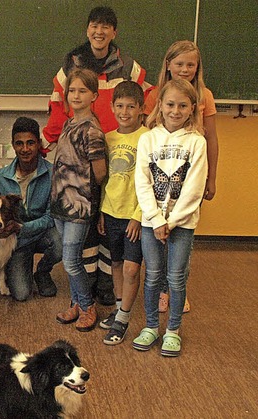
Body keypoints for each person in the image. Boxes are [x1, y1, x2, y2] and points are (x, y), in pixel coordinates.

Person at [43, 6, 152, 307]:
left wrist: (144, 131)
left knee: (110, 228)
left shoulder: (129, 66)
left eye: (106, 26)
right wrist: (49, 140)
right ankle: (88, 284)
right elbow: (56, 105)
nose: (99, 31)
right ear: (87, 29)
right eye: (94, 25)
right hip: (83, 162)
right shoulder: (71, 63)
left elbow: (149, 97)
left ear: (114, 32)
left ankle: (106, 284)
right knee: (89, 231)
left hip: (115, 154)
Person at [132, 79, 207, 357]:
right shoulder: (147, 139)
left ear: (192, 109)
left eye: (183, 105)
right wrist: (156, 218)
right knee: (152, 276)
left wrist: (172, 221)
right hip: (152, 222)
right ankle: (151, 326)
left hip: (182, 224)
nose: (176, 111)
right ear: (160, 106)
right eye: (170, 104)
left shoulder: (197, 142)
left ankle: (172, 330)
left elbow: (194, 187)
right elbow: (142, 181)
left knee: (176, 279)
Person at [144, 40, 220, 314]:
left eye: (191, 64)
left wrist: (211, 178)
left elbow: (211, 137)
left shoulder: (205, 95)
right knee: (157, 237)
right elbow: (148, 137)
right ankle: (162, 287)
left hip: (189, 180)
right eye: (179, 64)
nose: (185, 69)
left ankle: (174, 288)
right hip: (159, 182)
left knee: (181, 238)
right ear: (168, 65)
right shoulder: (153, 95)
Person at [51, 68, 107, 332]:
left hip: (79, 206)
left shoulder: (92, 130)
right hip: (62, 203)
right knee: (68, 258)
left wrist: (92, 206)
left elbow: (100, 173)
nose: (75, 95)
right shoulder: (68, 122)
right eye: (71, 90)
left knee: (72, 259)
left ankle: (87, 306)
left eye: (82, 91)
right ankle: (75, 302)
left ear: (94, 95)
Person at [0, 117, 62, 301]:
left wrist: (23, 228)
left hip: (42, 234)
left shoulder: (53, 173)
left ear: (39, 144)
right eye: (19, 143)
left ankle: (42, 272)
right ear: (13, 145)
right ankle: (22, 267)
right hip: (15, 242)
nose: (25, 149)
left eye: (30, 143)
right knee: (21, 294)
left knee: (61, 240)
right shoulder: (1, 177)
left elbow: (52, 216)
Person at [96, 81, 147, 345]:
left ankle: (124, 319)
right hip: (112, 212)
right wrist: (103, 211)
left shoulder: (148, 138)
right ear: (112, 107)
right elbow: (105, 179)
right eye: (119, 106)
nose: (125, 111)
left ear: (141, 108)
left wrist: (139, 215)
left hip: (135, 216)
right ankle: (118, 308)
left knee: (130, 268)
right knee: (115, 263)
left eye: (131, 106)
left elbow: (151, 181)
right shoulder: (108, 138)